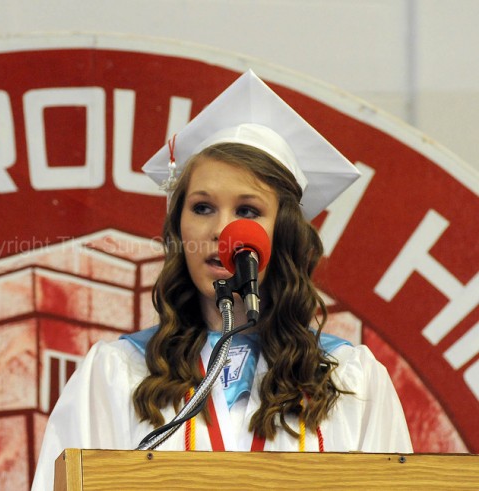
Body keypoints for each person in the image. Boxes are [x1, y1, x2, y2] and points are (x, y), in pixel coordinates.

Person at [31, 70, 412, 490]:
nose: (222, 231)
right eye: (202, 207)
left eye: (248, 211)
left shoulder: (347, 378)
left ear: (283, 233)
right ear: (179, 229)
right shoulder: (118, 373)